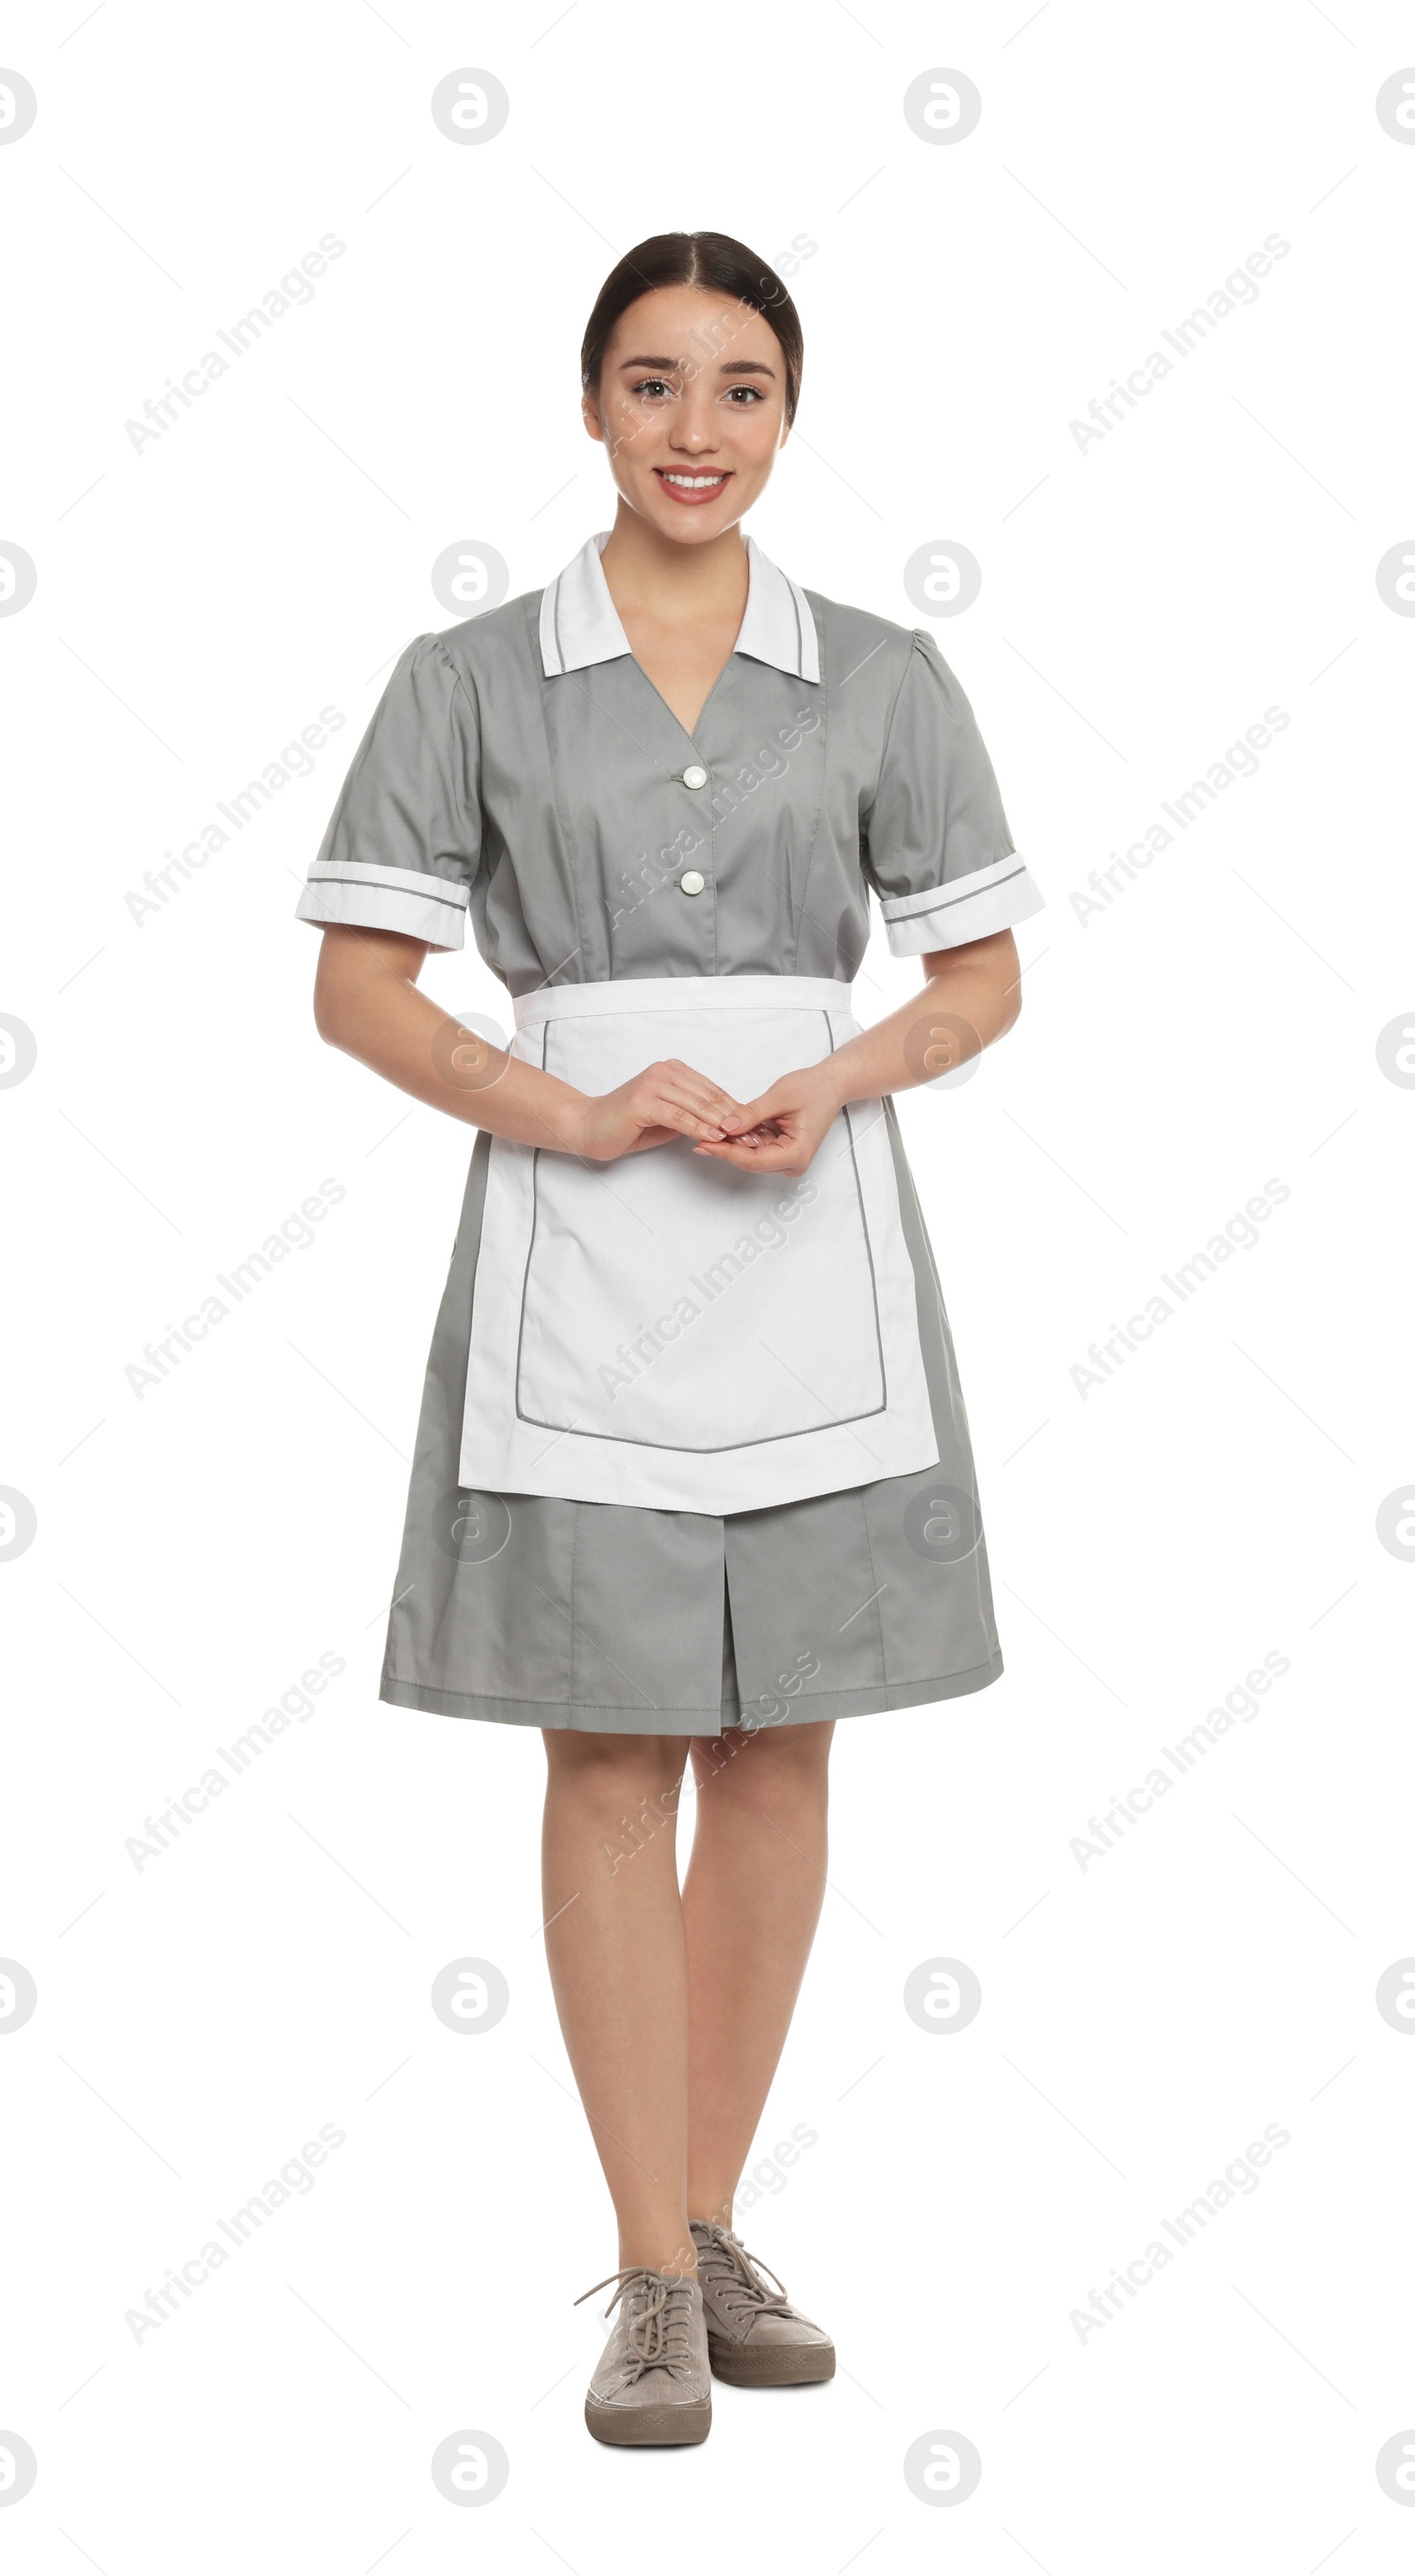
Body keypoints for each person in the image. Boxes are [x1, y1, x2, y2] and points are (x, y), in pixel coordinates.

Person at [296, 230, 1044, 2448]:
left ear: (789, 414)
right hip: (574, 1251)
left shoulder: (886, 676)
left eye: (735, 388)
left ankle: (709, 2224)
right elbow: (357, 988)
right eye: (650, 384)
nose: (692, 431)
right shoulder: (469, 678)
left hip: (816, 1232)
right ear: (590, 408)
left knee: (784, 1740)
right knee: (608, 1749)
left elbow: (984, 972)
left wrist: (852, 1066)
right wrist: (569, 1101)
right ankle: (641, 2269)